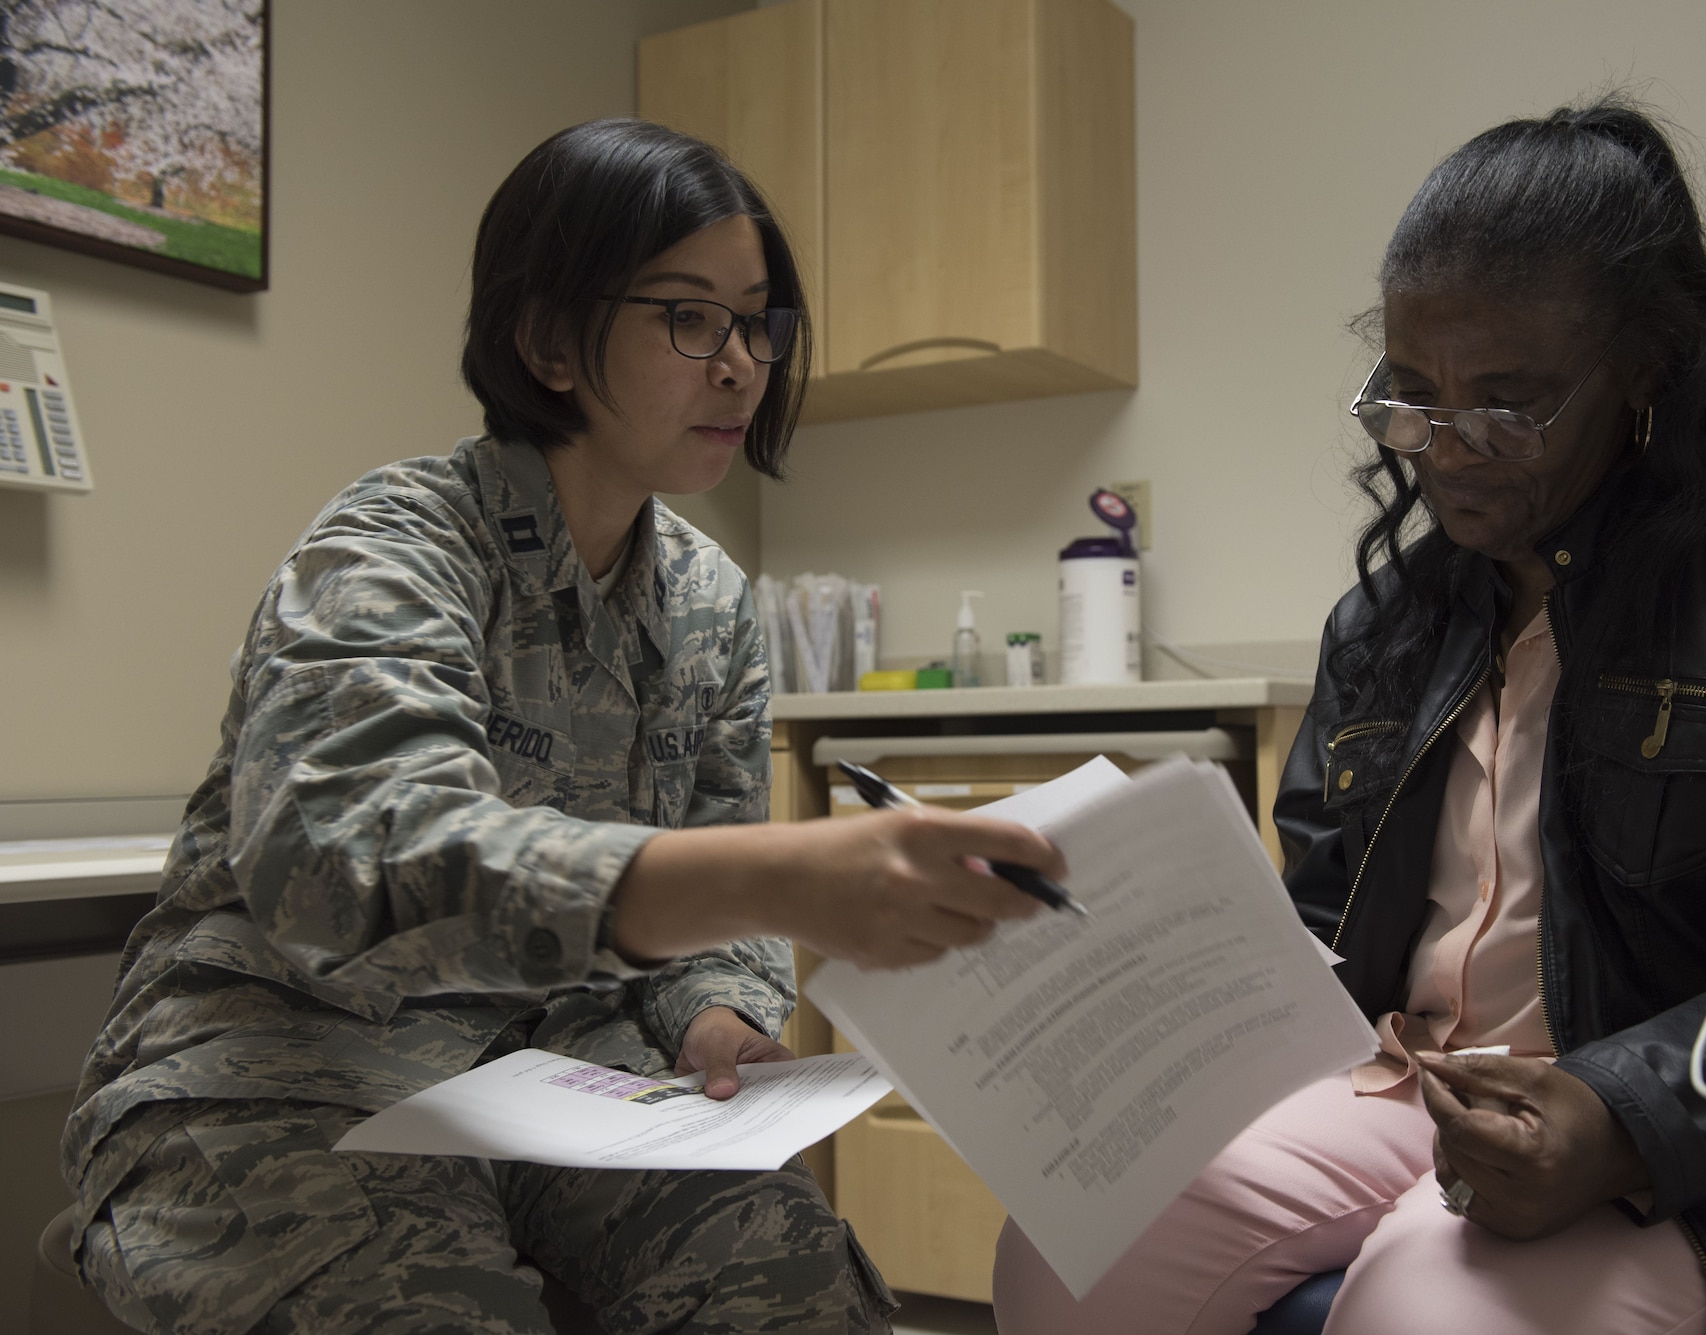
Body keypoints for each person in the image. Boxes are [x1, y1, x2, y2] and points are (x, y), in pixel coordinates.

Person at [992, 96, 1706, 1335]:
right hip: (1404, 1081)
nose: (1447, 451)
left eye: (1508, 405)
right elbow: (1318, 922)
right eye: (1409, 397)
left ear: (1646, 365)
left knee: (1429, 1306)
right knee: (1068, 1246)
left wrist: (1616, 1111)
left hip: (1699, 1129)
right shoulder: (1388, 621)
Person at [62, 118, 1064, 1335]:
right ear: (545, 339)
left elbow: (711, 915)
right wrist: (781, 875)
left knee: (795, 1283)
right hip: (282, 1068)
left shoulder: (710, 601)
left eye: (758, 321)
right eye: (690, 316)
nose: (740, 362)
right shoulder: (395, 544)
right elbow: (354, 855)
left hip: (559, 1079)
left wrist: (717, 1016)